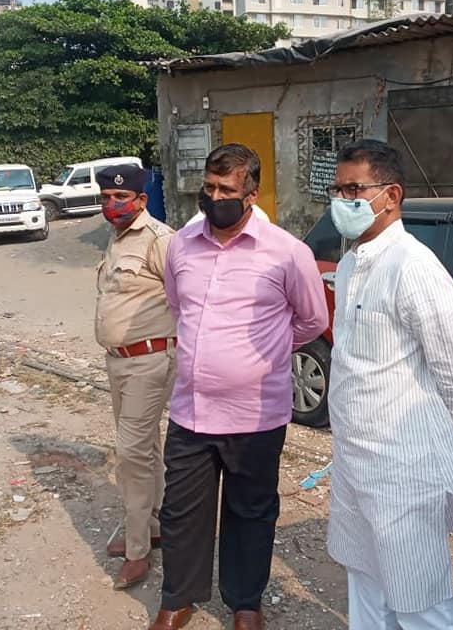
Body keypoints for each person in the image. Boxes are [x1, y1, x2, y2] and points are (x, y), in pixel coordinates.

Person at [326, 140, 453, 629]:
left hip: (404, 464)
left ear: (391, 195)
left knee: (418, 589)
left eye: (354, 190)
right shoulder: (351, 264)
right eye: (338, 190)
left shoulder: (413, 267)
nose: (342, 200)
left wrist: (434, 441)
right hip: (355, 457)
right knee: (365, 574)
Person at [151, 144, 328, 630]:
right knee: (181, 511)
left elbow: (312, 320)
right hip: (191, 410)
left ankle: (245, 601)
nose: (214, 197)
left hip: (256, 414)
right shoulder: (181, 245)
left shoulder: (288, 252)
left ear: (252, 193)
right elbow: (179, 307)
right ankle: (178, 598)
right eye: (208, 187)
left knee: (250, 511)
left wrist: (263, 354)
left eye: (226, 189)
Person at [93, 164, 176, 590]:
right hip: (119, 361)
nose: (112, 204)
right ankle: (156, 522)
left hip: (151, 360)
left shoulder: (160, 240)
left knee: (130, 454)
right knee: (146, 448)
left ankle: (138, 549)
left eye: (121, 198)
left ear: (141, 200)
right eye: (106, 197)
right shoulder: (116, 237)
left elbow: (186, 298)